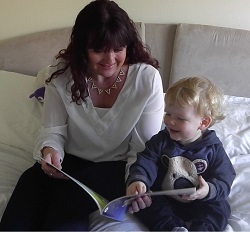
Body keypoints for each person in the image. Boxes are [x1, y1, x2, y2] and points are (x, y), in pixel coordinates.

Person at [0, 0, 164, 230]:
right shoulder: (63, 73)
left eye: (118, 49)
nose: (110, 60)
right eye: (98, 50)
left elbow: (143, 149)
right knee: (22, 202)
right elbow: (53, 131)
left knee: (61, 219)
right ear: (82, 48)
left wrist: (138, 181)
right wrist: (51, 151)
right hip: (69, 168)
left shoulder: (146, 79)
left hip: (116, 170)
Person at [126, 76, 236, 231]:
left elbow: (225, 177)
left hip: (200, 199)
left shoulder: (213, 149)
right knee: (145, 204)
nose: (170, 121)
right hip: (165, 197)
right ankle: (173, 228)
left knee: (219, 207)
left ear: (203, 123)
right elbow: (146, 160)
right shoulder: (161, 141)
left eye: (180, 118)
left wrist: (208, 190)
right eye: (168, 114)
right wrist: (140, 180)